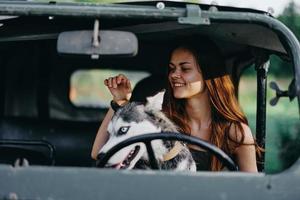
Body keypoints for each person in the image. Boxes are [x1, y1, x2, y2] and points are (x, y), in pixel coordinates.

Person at [91, 38, 260, 172]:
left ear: (209, 74)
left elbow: (251, 189)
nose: (174, 75)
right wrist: (121, 103)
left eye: (185, 69)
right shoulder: (160, 119)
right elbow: (98, 152)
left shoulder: (235, 132)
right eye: (172, 68)